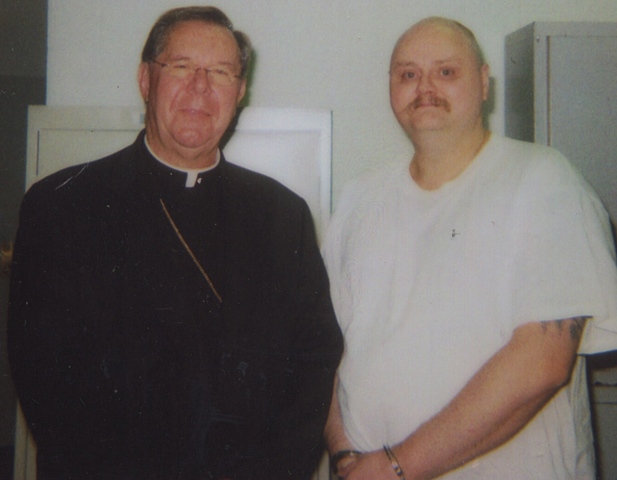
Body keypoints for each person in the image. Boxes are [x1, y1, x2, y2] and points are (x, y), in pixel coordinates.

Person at [8, 6, 343, 480]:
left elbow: (313, 363)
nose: (200, 88)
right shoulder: (62, 205)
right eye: (181, 67)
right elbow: (45, 380)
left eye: (221, 72)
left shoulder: (282, 215)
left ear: (240, 92)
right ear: (146, 79)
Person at [322, 16, 617, 480]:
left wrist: (398, 467)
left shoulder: (543, 179)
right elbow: (325, 350)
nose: (424, 88)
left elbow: (543, 362)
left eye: (446, 72)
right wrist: (344, 456)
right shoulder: (360, 198)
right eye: (408, 74)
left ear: (483, 83)